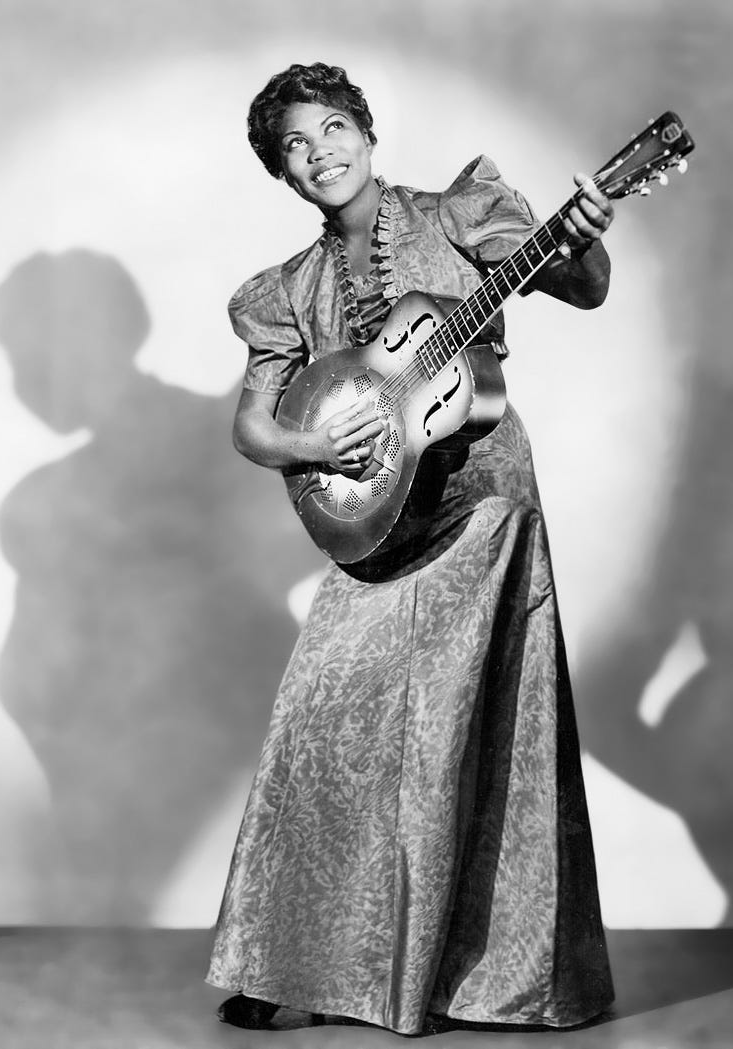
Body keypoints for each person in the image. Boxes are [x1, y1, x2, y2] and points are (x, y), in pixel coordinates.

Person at [207, 61, 615, 1035]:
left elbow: (580, 284)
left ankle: (477, 979)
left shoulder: (460, 211)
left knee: (448, 736)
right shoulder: (287, 292)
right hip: (382, 519)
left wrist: (587, 235)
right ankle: (296, 964)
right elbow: (257, 426)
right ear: (284, 173)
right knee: (322, 718)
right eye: (295, 148)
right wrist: (312, 444)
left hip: (481, 503)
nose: (320, 154)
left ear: (366, 130)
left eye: (332, 128)